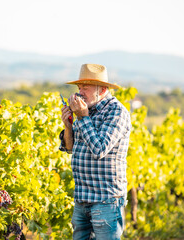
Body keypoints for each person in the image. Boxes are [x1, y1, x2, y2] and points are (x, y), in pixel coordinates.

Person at [59, 63, 131, 240]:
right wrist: (68, 127)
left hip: (106, 200)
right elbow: (69, 148)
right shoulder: (86, 109)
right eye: (79, 87)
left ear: (103, 89)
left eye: (86, 87)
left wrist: (82, 117)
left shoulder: (116, 112)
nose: (80, 92)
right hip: (82, 198)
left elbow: (99, 149)